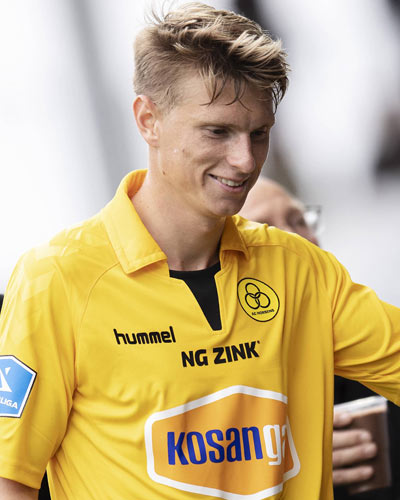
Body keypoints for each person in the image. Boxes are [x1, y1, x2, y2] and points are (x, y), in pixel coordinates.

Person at [0, 3, 399, 499]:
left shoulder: (300, 268)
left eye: (259, 133)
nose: (245, 160)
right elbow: (9, 480)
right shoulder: (56, 279)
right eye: (217, 131)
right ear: (148, 120)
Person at [240, 177, 400, 499]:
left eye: (299, 220)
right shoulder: (204, 382)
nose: (295, 239)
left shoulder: (365, 342)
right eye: (263, 230)